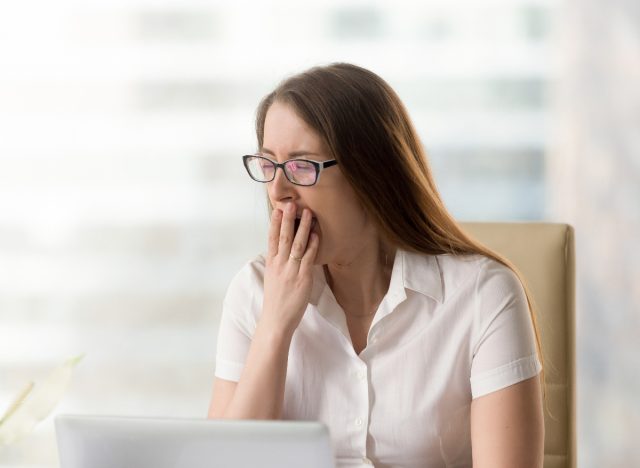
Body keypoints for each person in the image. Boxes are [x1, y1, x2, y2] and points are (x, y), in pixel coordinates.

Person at [208, 63, 544, 468]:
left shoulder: (482, 296)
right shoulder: (252, 291)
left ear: (370, 174)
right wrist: (275, 326)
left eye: (301, 166)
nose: (278, 191)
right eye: (268, 165)